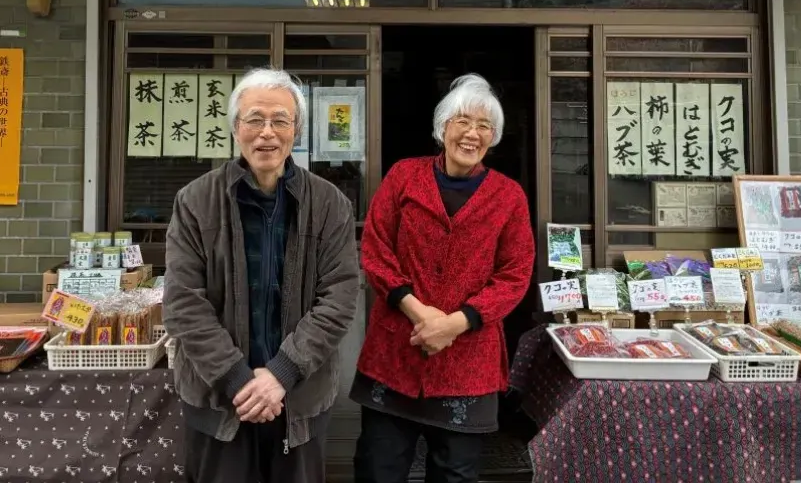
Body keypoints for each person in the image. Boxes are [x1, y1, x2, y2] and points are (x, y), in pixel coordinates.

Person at [164, 67, 361, 483]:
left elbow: (340, 298)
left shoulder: (330, 205)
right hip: (219, 398)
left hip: (299, 399)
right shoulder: (196, 201)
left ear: (297, 129)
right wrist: (237, 379)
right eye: (254, 119)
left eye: (280, 120)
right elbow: (183, 303)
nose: (266, 132)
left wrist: (281, 373)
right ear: (236, 127)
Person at [351, 73, 536, 483]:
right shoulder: (403, 176)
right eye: (463, 121)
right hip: (394, 352)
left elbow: (515, 274)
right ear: (443, 127)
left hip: (468, 362)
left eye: (484, 126)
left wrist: (455, 323)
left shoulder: (508, 196)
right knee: (377, 469)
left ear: (494, 136)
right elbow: (376, 250)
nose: (472, 134)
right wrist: (418, 313)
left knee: (456, 474)